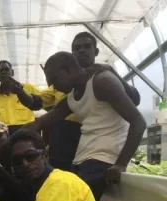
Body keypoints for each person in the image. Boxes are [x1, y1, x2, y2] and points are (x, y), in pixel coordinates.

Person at [25, 51, 146, 201]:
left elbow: (138, 122)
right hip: (82, 161)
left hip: (102, 161)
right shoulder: (72, 97)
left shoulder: (102, 81)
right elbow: (39, 123)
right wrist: (1, 149)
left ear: (67, 70)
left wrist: (121, 164)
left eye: (55, 80)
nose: (54, 87)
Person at [39, 31, 141, 171]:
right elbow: (43, 107)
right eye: (77, 48)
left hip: (102, 151)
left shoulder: (103, 78)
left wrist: (113, 72)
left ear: (96, 51)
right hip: (77, 142)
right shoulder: (66, 86)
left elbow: (135, 101)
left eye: (87, 46)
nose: (81, 51)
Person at [0, 61, 43, 135]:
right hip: (4, 134)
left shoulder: (28, 88)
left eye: (6, 69)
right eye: (0, 71)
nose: (4, 72)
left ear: (12, 72)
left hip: (26, 132)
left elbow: (44, 102)